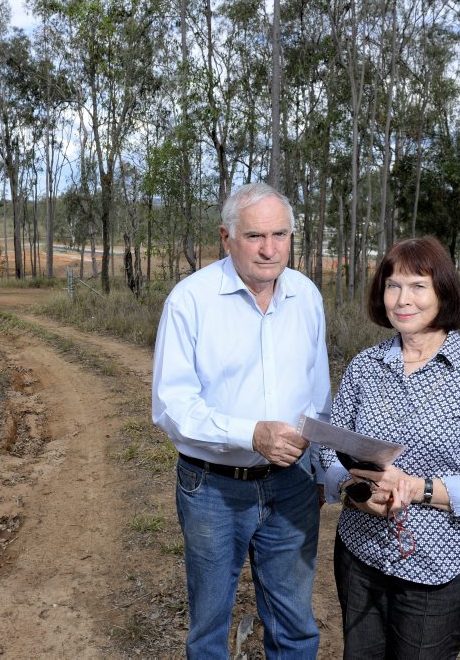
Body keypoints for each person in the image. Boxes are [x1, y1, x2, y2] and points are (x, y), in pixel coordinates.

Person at [319, 236, 460, 659]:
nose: (402, 299)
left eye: (418, 286)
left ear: (443, 292)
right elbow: (331, 448)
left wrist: (419, 489)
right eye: (393, 285)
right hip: (361, 558)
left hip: (439, 572)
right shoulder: (365, 367)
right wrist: (353, 491)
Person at [152, 182, 332, 659]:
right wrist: (250, 433)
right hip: (213, 489)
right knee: (209, 625)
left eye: (280, 234)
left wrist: (317, 467)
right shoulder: (191, 300)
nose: (269, 249)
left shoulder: (307, 297)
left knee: (294, 624)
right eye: (254, 236)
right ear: (226, 237)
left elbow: (318, 393)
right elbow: (173, 406)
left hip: (292, 484)